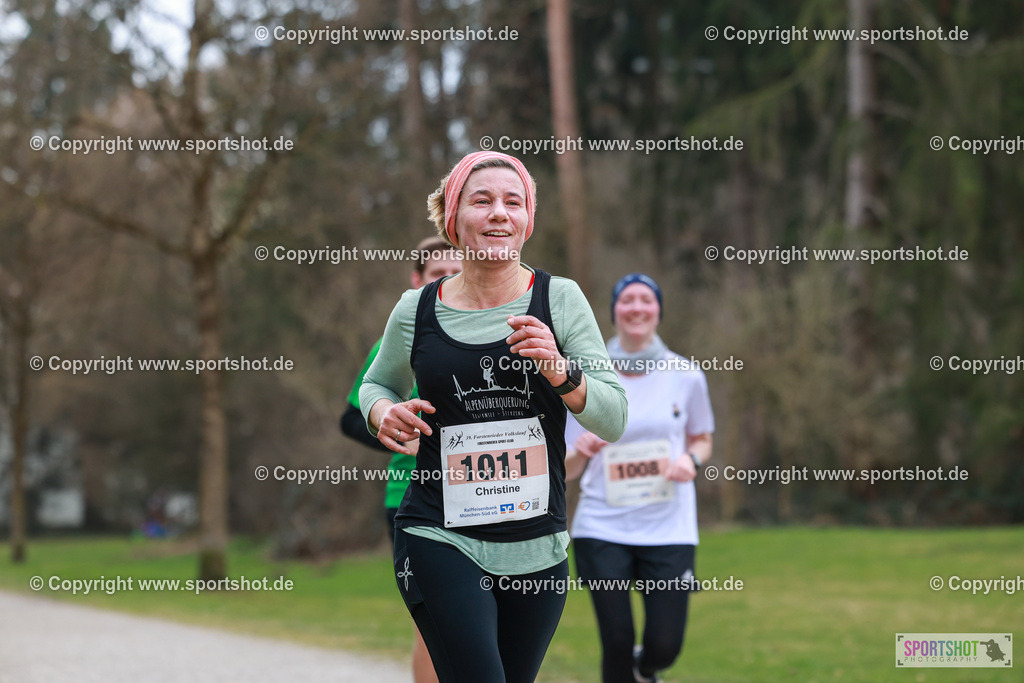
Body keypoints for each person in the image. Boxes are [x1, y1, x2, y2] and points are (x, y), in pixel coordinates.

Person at [360, 151, 627, 683]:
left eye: (514, 202)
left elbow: (614, 417)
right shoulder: (417, 308)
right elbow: (376, 383)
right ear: (453, 219)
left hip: (538, 543)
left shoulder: (561, 299)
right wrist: (382, 412)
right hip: (439, 532)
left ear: (528, 220)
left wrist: (559, 369)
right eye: (482, 201)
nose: (499, 213)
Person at [564, 273, 715, 683]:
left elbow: (702, 439)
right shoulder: (586, 377)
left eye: (645, 300)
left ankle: (646, 670)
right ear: (614, 312)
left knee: (665, 645)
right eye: (626, 300)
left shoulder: (685, 374)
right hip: (602, 525)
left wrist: (691, 461)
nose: (636, 308)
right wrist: (582, 450)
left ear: (658, 311)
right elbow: (566, 469)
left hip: (669, 528)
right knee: (615, 640)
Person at [339, 235, 460, 683]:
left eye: (455, 271)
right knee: (431, 624)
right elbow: (351, 418)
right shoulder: (401, 336)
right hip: (411, 495)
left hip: (482, 494)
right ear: (416, 280)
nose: (447, 279)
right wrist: (398, 435)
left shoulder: (492, 331)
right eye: (435, 274)